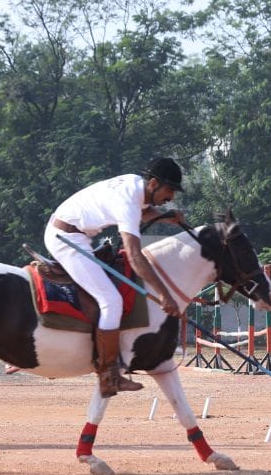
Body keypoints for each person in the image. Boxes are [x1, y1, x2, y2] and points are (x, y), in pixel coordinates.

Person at [44, 157, 186, 398]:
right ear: (153, 183)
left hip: (74, 233)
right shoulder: (129, 201)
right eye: (169, 190)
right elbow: (134, 256)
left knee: (110, 297)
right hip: (66, 239)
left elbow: (145, 212)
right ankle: (108, 376)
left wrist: (164, 216)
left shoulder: (134, 185)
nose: (171, 197)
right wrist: (164, 295)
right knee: (111, 300)